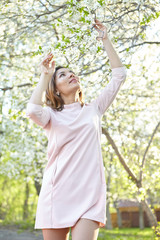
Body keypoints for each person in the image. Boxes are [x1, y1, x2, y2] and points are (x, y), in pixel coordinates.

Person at [26, 19, 126, 240]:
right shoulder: (50, 115)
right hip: (57, 193)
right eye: (62, 75)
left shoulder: (94, 109)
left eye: (72, 72)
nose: (71, 75)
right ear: (56, 89)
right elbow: (32, 110)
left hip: (90, 196)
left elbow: (119, 75)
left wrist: (105, 39)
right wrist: (45, 75)